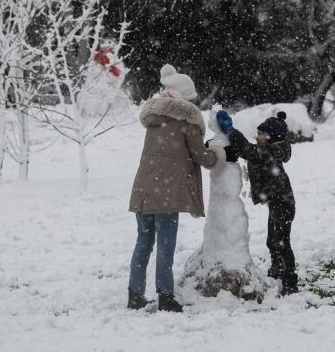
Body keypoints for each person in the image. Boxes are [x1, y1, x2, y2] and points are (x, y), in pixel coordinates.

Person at [127, 64, 238, 312]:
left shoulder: (155, 117)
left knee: (143, 242)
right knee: (166, 244)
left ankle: (134, 294)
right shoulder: (186, 118)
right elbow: (203, 158)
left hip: (143, 190)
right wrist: (222, 152)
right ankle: (165, 296)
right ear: (186, 96)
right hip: (167, 193)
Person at [216, 110, 299, 295]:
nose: (257, 136)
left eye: (261, 134)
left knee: (282, 242)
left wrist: (231, 131)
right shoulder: (269, 149)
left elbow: (248, 150)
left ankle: (290, 279)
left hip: (283, 204)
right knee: (273, 240)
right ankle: (277, 269)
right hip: (277, 203)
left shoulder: (271, 151)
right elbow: (249, 150)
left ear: (271, 137)